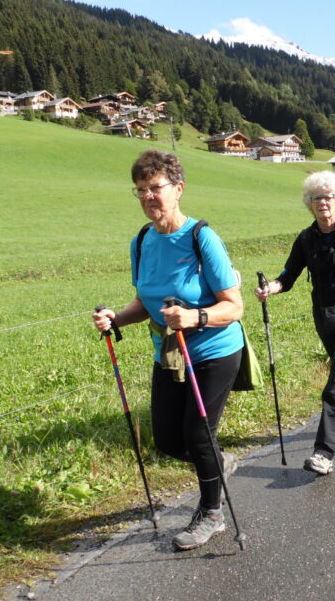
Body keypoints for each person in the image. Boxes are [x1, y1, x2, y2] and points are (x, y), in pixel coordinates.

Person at [93, 150, 244, 551]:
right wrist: (115, 319)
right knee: (166, 440)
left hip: (214, 348)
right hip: (169, 353)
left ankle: (211, 514)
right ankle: (219, 463)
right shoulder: (142, 241)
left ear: (178, 189)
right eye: (140, 189)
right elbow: (144, 303)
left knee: (198, 433)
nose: (147, 196)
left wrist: (194, 317)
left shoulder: (201, 237)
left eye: (155, 187)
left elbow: (234, 306)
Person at [254, 171, 335, 476]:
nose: (323, 202)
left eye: (328, 197)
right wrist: (270, 288)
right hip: (325, 319)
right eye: (316, 198)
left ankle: (323, 453)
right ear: (309, 204)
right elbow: (288, 277)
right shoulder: (306, 239)